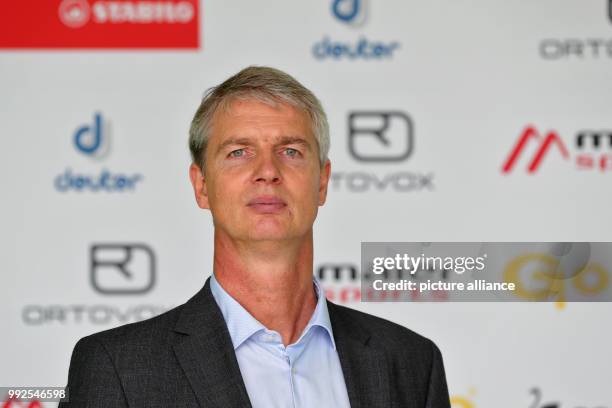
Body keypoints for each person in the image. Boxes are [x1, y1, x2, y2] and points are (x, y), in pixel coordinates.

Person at [59, 66, 450, 407]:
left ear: (322, 183)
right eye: (239, 152)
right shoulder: (118, 367)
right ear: (202, 186)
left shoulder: (411, 362)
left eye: (291, 151)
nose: (268, 171)